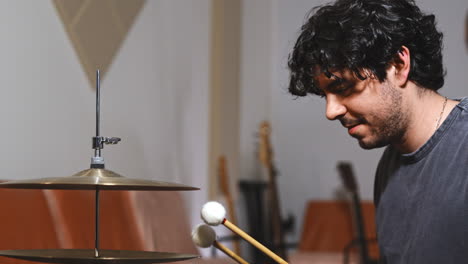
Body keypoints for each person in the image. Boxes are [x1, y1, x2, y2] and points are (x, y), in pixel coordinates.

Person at [287, 0, 468, 263]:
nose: (331, 111)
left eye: (343, 87)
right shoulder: (388, 166)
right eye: (324, 95)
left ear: (398, 64)